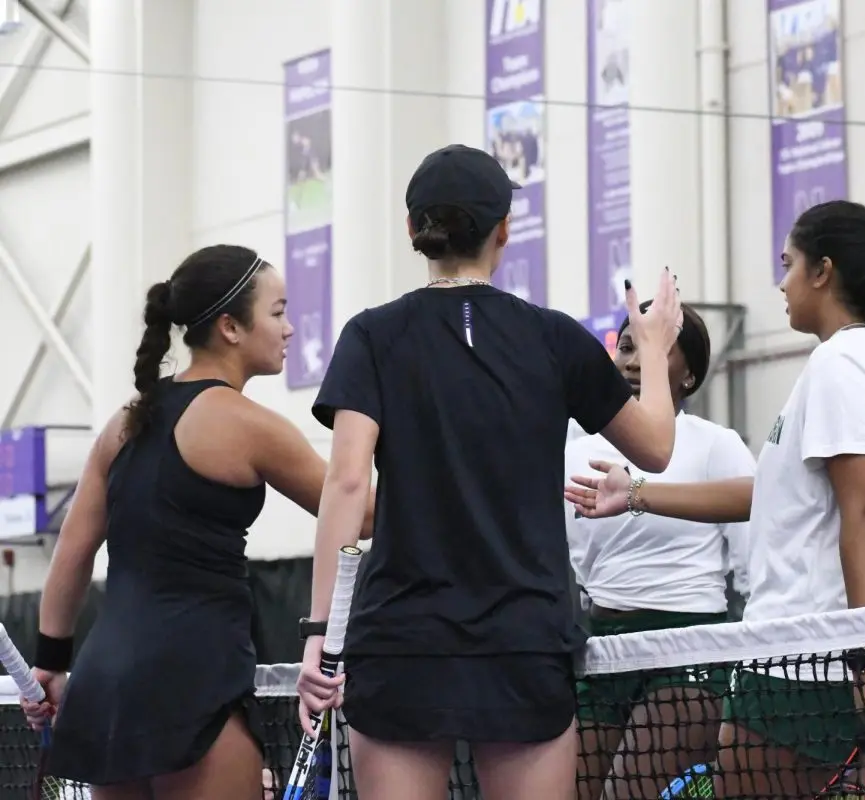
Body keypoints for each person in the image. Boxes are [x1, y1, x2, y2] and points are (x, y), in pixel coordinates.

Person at [293, 143, 684, 800]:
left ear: (414, 229)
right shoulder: (555, 339)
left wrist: (318, 635)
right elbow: (656, 449)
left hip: (401, 646)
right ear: (504, 230)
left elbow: (349, 482)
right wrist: (652, 350)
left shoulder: (371, 336)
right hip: (523, 645)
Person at [566, 200, 865, 798]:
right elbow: (773, 495)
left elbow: (864, 512)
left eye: (788, 264)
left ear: (822, 272)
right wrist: (638, 493)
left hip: (817, 658)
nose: (782, 281)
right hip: (817, 652)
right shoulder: (855, 360)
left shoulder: (843, 364)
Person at [19, 245, 373, 800]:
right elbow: (365, 513)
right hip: (193, 681)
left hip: (104, 685)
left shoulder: (122, 423)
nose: (289, 328)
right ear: (231, 327)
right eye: (278, 312)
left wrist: (50, 662)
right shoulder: (249, 425)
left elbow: (73, 551)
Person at [570, 301, 756, 800]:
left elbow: (754, 569)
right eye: (627, 347)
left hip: (688, 651)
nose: (634, 362)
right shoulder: (568, 444)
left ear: (689, 375)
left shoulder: (718, 446)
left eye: (655, 350)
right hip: (601, 651)